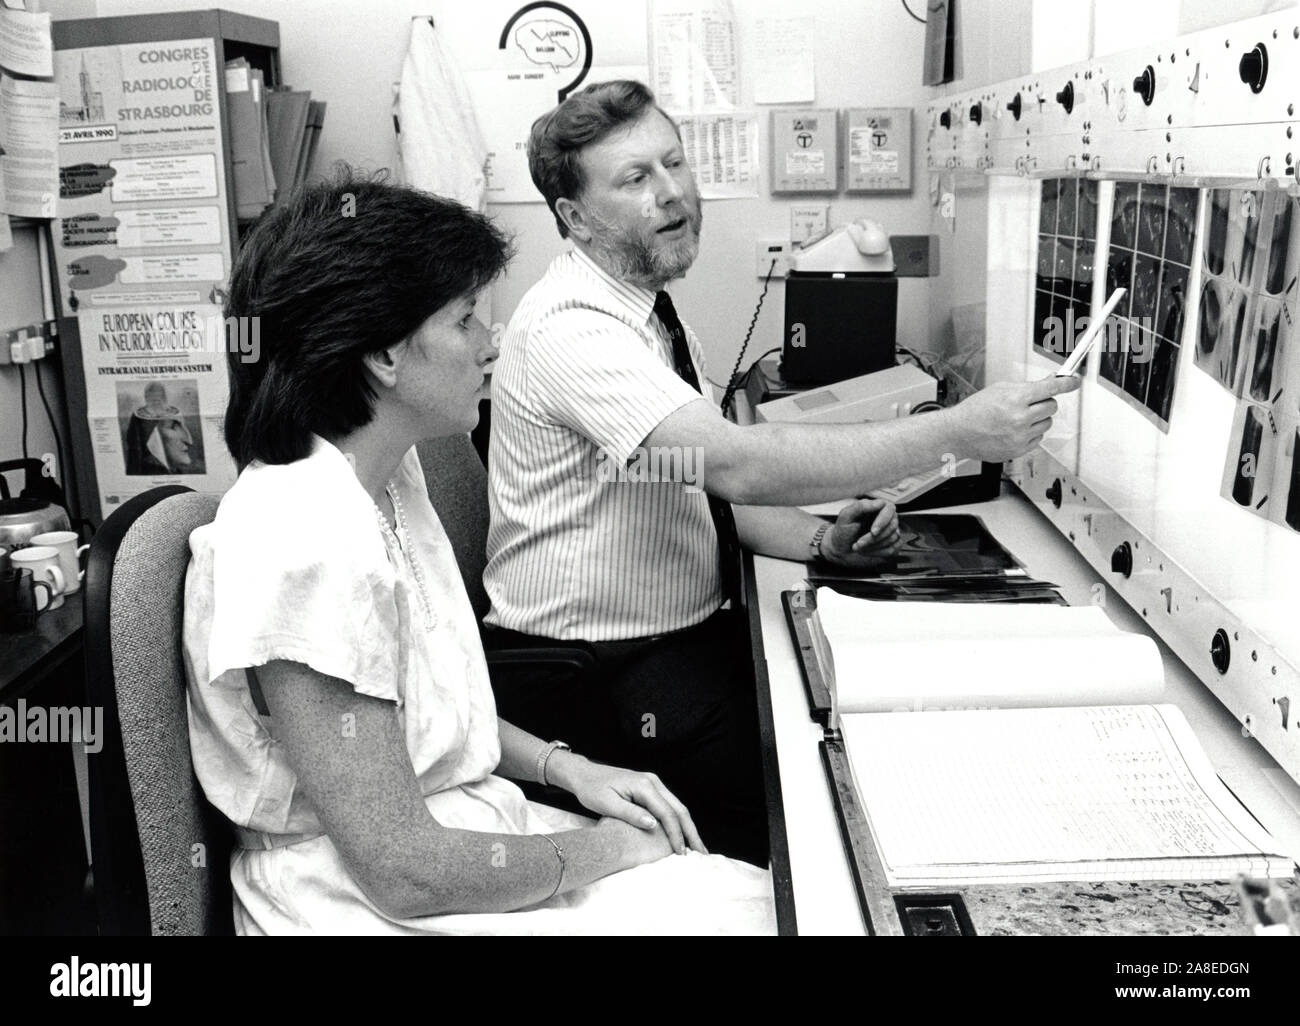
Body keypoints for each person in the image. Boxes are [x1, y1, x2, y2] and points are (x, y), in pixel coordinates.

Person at [483, 80, 1080, 865]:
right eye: (635, 179)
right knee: (827, 817)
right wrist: (959, 432)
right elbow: (734, 466)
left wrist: (823, 542)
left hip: (668, 643)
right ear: (574, 217)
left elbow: (688, 480)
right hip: (593, 679)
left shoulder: (645, 312)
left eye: (675, 163)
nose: (673, 194)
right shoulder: (574, 331)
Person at [181, 171, 775, 935]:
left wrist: (570, 769)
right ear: (383, 358)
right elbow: (401, 869)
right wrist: (602, 853)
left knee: (760, 900)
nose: (491, 346)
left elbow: (433, 721)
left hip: (459, 835)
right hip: (358, 897)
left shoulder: (391, 475)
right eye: (466, 321)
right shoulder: (298, 543)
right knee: (747, 918)